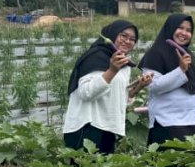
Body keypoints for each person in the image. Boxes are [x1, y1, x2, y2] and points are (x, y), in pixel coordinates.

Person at [63, 19, 153, 154]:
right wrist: (112, 70)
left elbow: (118, 97)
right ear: (113, 34)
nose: (128, 41)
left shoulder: (123, 64)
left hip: (107, 129)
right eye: (123, 36)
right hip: (87, 128)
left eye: (132, 39)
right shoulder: (95, 57)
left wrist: (137, 88)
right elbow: (86, 93)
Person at [140, 14, 195, 146]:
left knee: (193, 164)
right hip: (167, 122)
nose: (184, 33)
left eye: (188, 30)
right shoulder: (155, 53)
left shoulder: (187, 54)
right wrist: (180, 70)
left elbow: (193, 89)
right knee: (170, 164)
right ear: (170, 28)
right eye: (180, 28)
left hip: (193, 122)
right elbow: (154, 86)